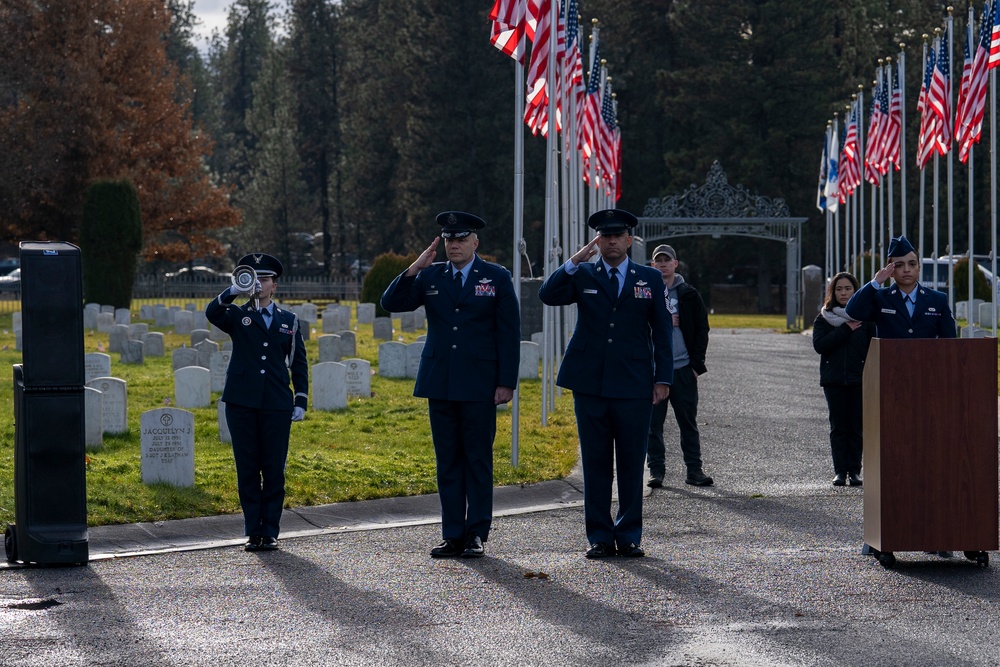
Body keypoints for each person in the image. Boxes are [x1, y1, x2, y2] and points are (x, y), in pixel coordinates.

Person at [381, 211, 521, 559]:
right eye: (448, 239)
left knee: (477, 459)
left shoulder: (496, 277)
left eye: (460, 239)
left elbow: (509, 332)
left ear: (475, 242)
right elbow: (391, 303)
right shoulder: (431, 276)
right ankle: (452, 533)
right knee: (448, 461)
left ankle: (476, 532)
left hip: (479, 383)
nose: (453, 244)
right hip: (440, 380)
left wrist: (506, 383)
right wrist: (414, 267)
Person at [538, 208, 673, 559]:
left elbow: (661, 331)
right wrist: (575, 259)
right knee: (596, 462)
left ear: (629, 240)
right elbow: (548, 295)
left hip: (633, 382)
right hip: (590, 382)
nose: (611, 241)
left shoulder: (649, 278)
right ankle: (599, 535)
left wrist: (663, 378)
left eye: (617, 235)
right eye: (604, 235)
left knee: (631, 462)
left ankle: (628, 535)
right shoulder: (583, 273)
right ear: (597, 240)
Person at [206, 253, 308, 552]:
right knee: (248, 467)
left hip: (276, 402)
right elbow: (213, 313)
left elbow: (298, 362)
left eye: (265, 279)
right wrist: (234, 290)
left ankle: (271, 530)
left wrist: (300, 398)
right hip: (242, 402)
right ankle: (253, 530)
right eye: (256, 279)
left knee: (273, 469)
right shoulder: (237, 314)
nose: (261, 284)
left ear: (274, 285)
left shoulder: (288, 320)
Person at [645, 244, 712, 489]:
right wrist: (661, 320)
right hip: (654, 372)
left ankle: (694, 470)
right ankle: (656, 470)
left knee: (688, 423)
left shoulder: (688, 294)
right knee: (653, 425)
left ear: (675, 264)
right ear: (653, 265)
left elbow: (702, 329)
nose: (662, 264)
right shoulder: (644, 291)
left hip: (683, 369)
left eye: (667, 260)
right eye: (658, 261)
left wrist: (696, 366)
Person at [812, 272, 876, 487]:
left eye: (848, 288)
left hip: (860, 380)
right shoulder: (824, 318)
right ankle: (840, 471)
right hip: (834, 380)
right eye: (839, 289)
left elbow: (872, 349)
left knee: (856, 427)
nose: (843, 293)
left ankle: (855, 471)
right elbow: (820, 345)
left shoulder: (866, 319)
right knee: (838, 427)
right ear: (832, 292)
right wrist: (846, 330)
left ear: (855, 290)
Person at [845, 235, 956, 339]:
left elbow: (950, 340)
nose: (907, 269)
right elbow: (852, 310)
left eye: (912, 264)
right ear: (891, 271)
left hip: (927, 359)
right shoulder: (881, 298)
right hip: (891, 358)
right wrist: (876, 282)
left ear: (919, 268)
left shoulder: (937, 299)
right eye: (899, 265)